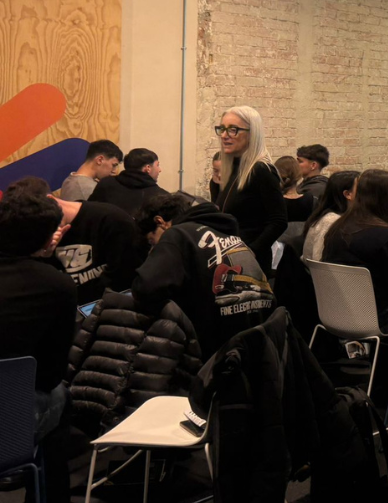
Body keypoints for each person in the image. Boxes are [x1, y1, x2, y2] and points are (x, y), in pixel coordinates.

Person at [0, 189, 77, 503]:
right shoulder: (57, 285)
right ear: (48, 238)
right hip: (12, 421)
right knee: (60, 395)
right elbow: (51, 373)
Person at [133, 193, 275, 358]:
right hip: (258, 343)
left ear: (160, 222)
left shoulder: (177, 234)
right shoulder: (225, 234)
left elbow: (144, 287)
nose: (153, 249)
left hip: (216, 353)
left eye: (152, 242)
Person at [8, 177, 141, 304]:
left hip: (110, 305)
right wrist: (42, 256)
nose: (42, 232)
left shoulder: (112, 221)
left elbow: (124, 279)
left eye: (41, 224)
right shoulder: (30, 235)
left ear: (51, 202)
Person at [321, 169, 388, 330]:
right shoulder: (387, 235)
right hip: (376, 317)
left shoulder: (338, 227)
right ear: (383, 198)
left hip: (336, 312)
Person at [214, 106, 287, 273]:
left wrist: (251, 251)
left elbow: (279, 221)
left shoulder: (261, 170)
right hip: (229, 258)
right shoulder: (232, 169)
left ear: (252, 134)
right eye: (222, 129)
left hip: (249, 264)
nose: (224, 135)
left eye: (233, 130)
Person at [88, 147, 169, 216]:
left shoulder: (106, 184)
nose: (159, 170)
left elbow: (90, 213)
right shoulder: (161, 197)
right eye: (157, 165)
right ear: (148, 168)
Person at [302, 170, 359, 262]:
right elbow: (318, 260)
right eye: (360, 188)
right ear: (347, 194)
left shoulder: (342, 217)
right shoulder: (330, 221)